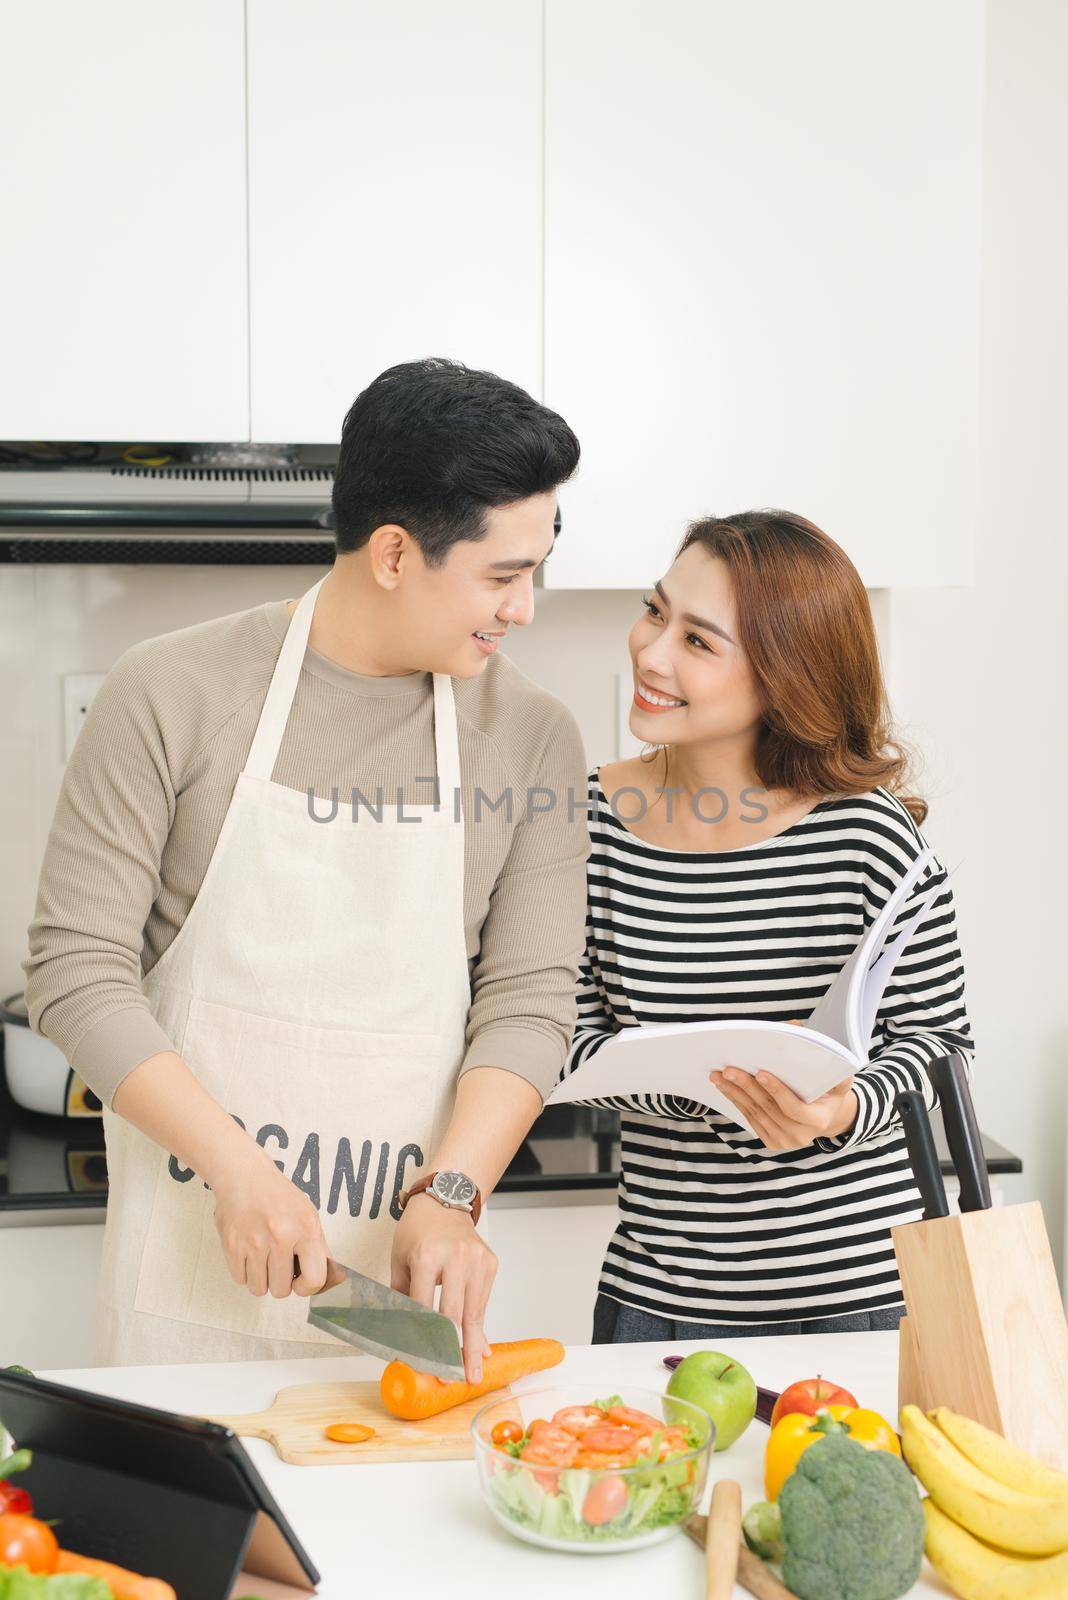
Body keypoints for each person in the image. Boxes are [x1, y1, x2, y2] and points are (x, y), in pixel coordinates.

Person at [24, 358, 588, 1373]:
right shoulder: (167, 691)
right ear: (392, 554)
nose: (526, 607)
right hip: (185, 1282)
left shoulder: (532, 735)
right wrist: (238, 1169)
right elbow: (75, 972)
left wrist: (452, 1193)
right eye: (503, 575)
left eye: (537, 570)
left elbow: (532, 995)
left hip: (399, 1292)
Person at [561, 509, 974, 1343]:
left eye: (699, 642)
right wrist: (709, 1087)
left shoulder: (869, 834)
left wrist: (842, 1108)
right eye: (655, 611)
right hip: (656, 1301)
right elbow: (559, 1031)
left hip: (862, 1300)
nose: (651, 651)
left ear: (785, 677)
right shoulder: (585, 819)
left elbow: (941, 1046)